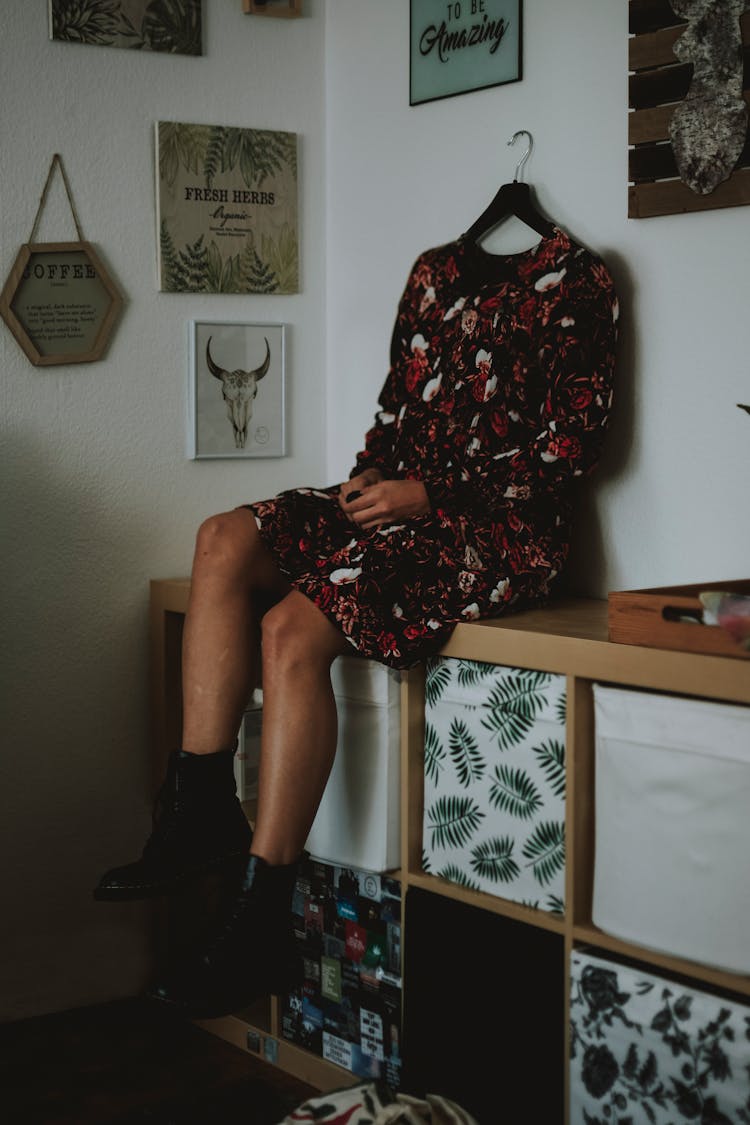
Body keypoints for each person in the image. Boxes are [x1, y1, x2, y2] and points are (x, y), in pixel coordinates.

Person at [94, 226, 618, 1019]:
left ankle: (260, 911)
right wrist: (374, 474)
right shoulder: (433, 274)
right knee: (222, 540)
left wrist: (432, 496)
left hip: (499, 531)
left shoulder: (578, 282)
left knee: (290, 632)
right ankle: (199, 804)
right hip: (400, 510)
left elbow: (571, 450)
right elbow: (394, 416)